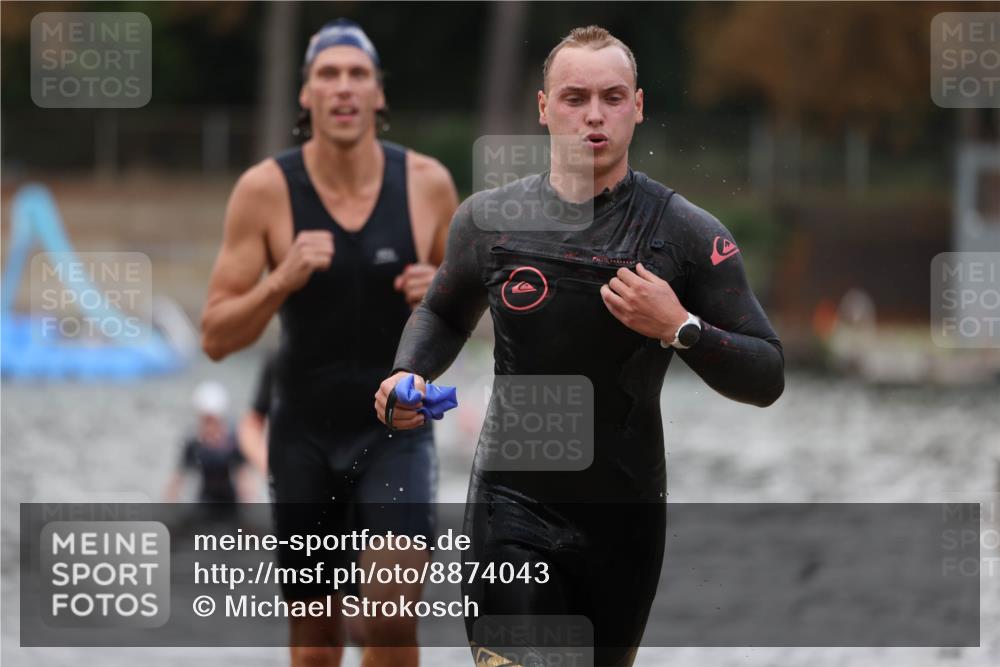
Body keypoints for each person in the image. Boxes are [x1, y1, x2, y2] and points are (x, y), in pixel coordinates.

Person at [374, 25, 784, 667]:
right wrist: (406, 374)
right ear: (543, 108)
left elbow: (767, 374)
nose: (594, 114)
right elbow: (443, 313)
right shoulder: (488, 221)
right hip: (511, 506)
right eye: (574, 97)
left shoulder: (683, 233)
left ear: (639, 106)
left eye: (613, 97)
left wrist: (680, 327)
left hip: (625, 518)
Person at [200, 18, 459, 667]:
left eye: (358, 74)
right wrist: (280, 280)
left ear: (378, 95)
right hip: (303, 436)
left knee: (390, 613)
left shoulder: (429, 184)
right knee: (317, 640)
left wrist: (440, 297)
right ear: (305, 96)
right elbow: (214, 336)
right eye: (328, 74)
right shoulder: (264, 190)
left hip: (397, 428)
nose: (343, 88)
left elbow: (472, 321)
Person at [165, 381, 253, 504]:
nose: (209, 427)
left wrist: (248, 507)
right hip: (204, 500)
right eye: (205, 421)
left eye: (213, 421)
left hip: (230, 503)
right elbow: (177, 479)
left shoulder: (233, 443)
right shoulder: (193, 443)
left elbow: (243, 480)